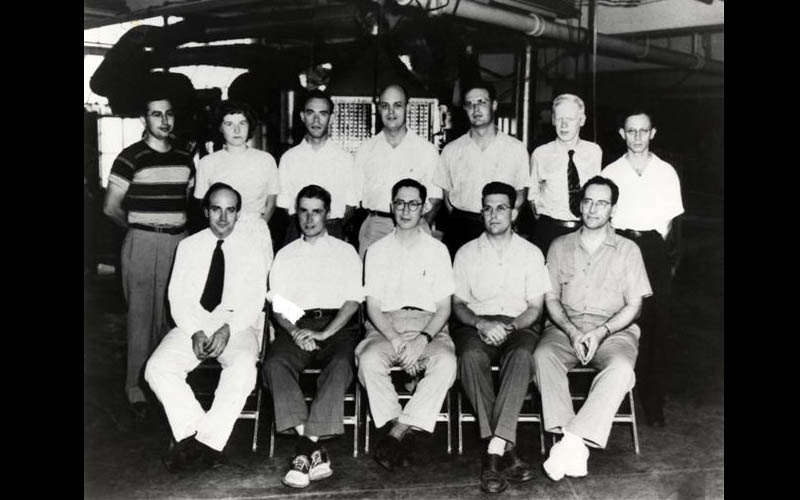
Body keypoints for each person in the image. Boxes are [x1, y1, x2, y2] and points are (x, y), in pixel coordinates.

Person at [532, 176, 651, 482]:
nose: (593, 209)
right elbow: (550, 298)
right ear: (579, 205)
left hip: (613, 331)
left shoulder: (628, 250)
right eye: (588, 201)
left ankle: (569, 441)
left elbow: (634, 306)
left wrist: (601, 333)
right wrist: (572, 331)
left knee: (623, 368)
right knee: (543, 357)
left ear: (613, 209)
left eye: (602, 203)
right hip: (565, 328)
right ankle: (574, 442)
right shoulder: (559, 246)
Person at [144, 183, 268, 472]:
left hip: (237, 325)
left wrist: (228, 328)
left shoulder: (251, 248)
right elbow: (177, 296)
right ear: (205, 211)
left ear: (238, 214)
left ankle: (204, 443)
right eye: (216, 209)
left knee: (243, 368)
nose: (223, 218)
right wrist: (195, 330)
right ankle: (198, 437)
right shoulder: (188, 246)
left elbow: (254, 299)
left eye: (230, 210)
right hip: (195, 323)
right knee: (157, 368)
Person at [451, 182, 551, 494]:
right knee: (470, 356)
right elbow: (457, 304)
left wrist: (508, 327)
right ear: (481, 211)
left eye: (501, 208)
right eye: (488, 208)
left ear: (515, 212)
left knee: (522, 357)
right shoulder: (466, 253)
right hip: (476, 324)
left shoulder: (531, 253)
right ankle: (505, 448)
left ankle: (492, 452)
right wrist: (481, 323)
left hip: (518, 325)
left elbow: (535, 307)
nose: (493, 214)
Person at [263, 185, 363, 489]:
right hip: (298, 322)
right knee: (274, 364)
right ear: (297, 213)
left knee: (342, 366)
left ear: (327, 214)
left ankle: (303, 450)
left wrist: (323, 333)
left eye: (316, 211)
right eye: (303, 211)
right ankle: (314, 447)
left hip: (337, 325)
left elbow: (352, 301)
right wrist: (296, 331)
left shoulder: (345, 251)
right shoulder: (286, 254)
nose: (309, 218)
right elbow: (278, 303)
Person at [102, 94, 194, 422]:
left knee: (173, 318)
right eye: (157, 114)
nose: (164, 121)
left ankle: (166, 387)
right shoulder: (130, 158)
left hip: (177, 245)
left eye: (169, 114)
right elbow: (110, 207)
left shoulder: (185, 157)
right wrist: (141, 228)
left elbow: (184, 201)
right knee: (141, 319)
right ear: (145, 119)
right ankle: (135, 390)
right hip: (141, 242)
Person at [356, 178, 457, 470]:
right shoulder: (376, 250)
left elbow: (444, 308)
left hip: (429, 326)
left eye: (413, 204)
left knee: (447, 363)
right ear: (391, 207)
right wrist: (399, 342)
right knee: (369, 361)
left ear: (424, 207)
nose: (406, 210)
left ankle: (397, 432)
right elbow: (372, 307)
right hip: (385, 326)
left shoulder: (438, 250)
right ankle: (405, 431)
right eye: (400, 203)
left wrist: (421, 340)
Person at [601, 110, 684, 427]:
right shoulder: (611, 171)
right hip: (620, 246)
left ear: (653, 133)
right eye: (631, 131)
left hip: (653, 249)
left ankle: (653, 401)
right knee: (617, 319)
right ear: (622, 134)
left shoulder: (666, 172)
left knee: (656, 325)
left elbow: (673, 226)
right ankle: (612, 398)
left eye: (643, 131)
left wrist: (668, 261)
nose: (637, 137)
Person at [434, 81, 529, 258]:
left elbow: (520, 194)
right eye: (470, 104)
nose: (475, 109)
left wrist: (501, 222)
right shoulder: (452, 150)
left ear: (494, 105)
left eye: (481, 102)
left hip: (499, 228)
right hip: (461, 229)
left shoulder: (515, 148)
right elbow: (447, 197)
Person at [354, 84, 442, 259]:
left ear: (407, 107)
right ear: (379, 109)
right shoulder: (366, 149)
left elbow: (435, 197)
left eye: (397, 105)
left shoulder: (426, 150)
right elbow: (356, 197)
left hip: (414, 228)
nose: (391, 112)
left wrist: (416, 224)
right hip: (376, 228)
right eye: (385, 106)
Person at [193, 99, 278, 266]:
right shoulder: (208, 162)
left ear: (250, 126)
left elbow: (271, 203)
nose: (237, 130)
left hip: (255, 230)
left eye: (242, 123)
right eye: (229, 124)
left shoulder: (266, 160)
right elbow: (202, 204)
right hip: (219, 231)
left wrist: (253, 228)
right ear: (220, 127)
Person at [277, 90, 359, 244]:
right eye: (310, 113)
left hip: (333, 230)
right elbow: (283, 205)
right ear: (302, 116)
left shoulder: (345, 159)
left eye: (323, 113)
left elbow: (350, 205)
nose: (316, 120)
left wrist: (332, 228)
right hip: (298, 230)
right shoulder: (289, 158)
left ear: (332, 118)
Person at [528, 94, 602, 256]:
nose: (564, 125)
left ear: (582, 120)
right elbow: (533, 197)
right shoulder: (541, 154)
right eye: (559, 118)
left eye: (570, 119)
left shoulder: (594, 152)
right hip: (549, 230)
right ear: (553, 119)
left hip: (584, 230)